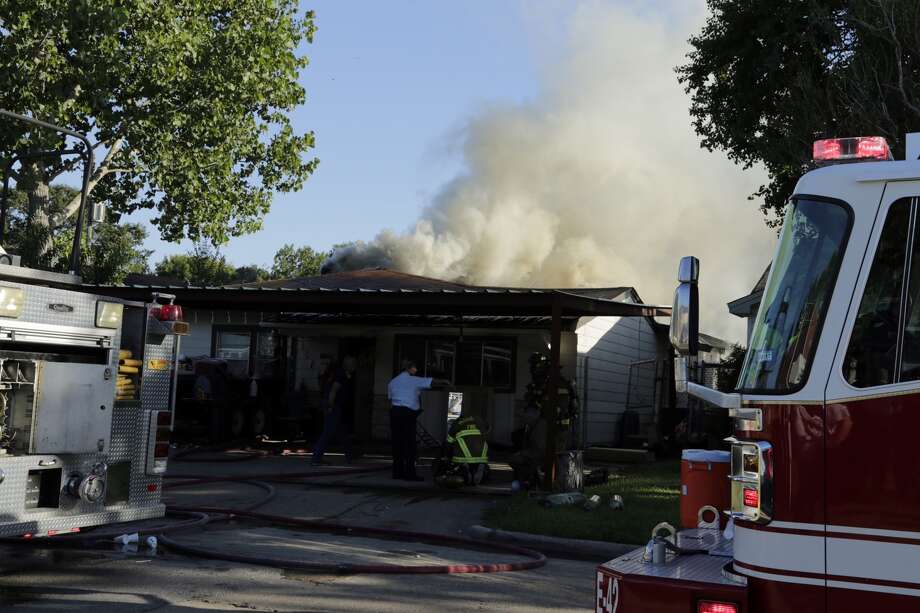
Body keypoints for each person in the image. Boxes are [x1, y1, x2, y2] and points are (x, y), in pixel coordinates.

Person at [387, 360, 442, 481]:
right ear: (409, 368)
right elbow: (432, 381)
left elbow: (391, 401)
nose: (416, 370)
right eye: (415, 368)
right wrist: (446, 382)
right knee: (409, 444)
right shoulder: (414, 380)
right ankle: (410, 473)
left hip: (395, 413)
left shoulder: (392, 382)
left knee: (397, 444)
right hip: (407, 414)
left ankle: (397, 472)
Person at [311, 356, 357, 466]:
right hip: (334, 407)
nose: (355, 367)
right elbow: (334, 390)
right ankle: (316, 458)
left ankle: (349, 456)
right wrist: (330, 406)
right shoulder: (340, 375)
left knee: (343, 432)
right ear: (348, 365)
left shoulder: (342, 374)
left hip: (338, 407)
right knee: (328, 432)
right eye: (353, 364)